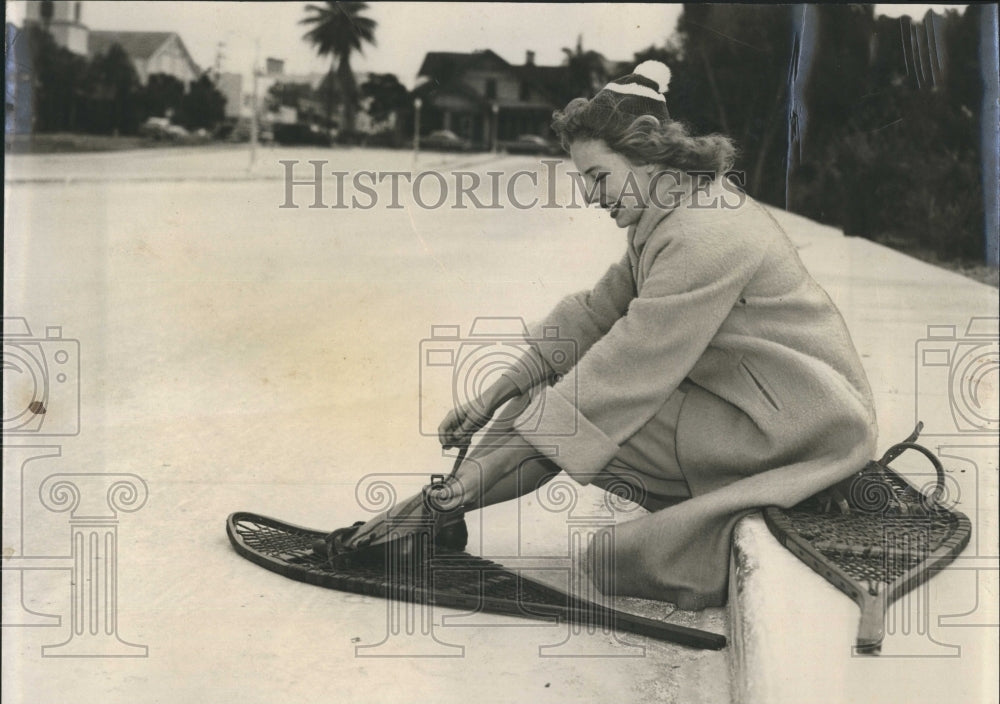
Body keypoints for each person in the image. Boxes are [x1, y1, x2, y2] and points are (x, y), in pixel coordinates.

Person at [317, 61, 878, 610]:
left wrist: (468, 479)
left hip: (793, 432)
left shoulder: (706, 234)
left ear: (644, 154)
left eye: (596, 177)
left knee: (570, 412)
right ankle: (435, 515)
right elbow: (595, 314)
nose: (590, 196)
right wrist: (492, 396)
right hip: (760, 409)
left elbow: (624, 368)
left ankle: (427, 516)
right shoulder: (674, 209)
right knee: (552, 404)